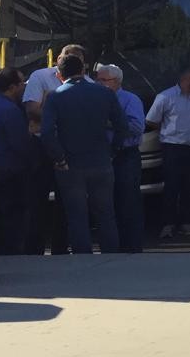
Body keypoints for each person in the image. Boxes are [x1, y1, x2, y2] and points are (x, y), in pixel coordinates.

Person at [40, 53, 127, 254]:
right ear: (84, 71)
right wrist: (113, 150)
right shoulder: (105, 93)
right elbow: (122, 127)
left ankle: (83, 260)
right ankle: (112, 257)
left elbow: (46, 133)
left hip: (70, 166)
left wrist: (59, 158)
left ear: (59, 76)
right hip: (101, 162)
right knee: (106, 215)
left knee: (77, 217)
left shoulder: (55, 97)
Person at [22, 43, 89, 255]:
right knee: (37, 200)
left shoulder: (86, 81)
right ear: (59, 59)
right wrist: (63, 116)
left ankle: (60, 248)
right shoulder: (40, 76)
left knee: (66, 201)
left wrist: (51, 112)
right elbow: (32, 109)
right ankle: (34, 250)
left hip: (69, 147)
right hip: (41, 146)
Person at [146, 65, 190, 239]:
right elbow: (151, 120)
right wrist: (167, 129)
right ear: (188, 79)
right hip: (172, 147)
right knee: (171, 187)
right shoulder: (165, 97)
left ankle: (186, 222)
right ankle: (167, 224)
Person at [95, 64, 146, 252]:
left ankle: (131, 245)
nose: (98, 83)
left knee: (128, 200)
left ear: (116, 81)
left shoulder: (130, 100)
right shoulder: (97, 101)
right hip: (103, 156)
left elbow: (137, 127)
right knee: (107, 202)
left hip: (125, 156)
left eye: (103, 80)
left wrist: (108, 123)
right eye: (97, 79)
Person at [0, 68, 32, 255]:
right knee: (13, 219)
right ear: (12, 87)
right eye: (22, 84)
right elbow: (20, 144)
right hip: (11, 171)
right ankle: (11, 253)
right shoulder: (10, 110)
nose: (24, 87)